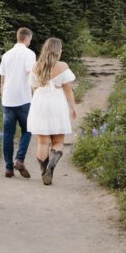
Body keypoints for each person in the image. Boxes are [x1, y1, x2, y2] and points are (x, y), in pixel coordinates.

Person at [27, 37, 76, 186]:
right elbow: (68, 90)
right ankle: (51, 166)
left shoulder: (36, 66)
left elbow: (34, 87)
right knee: (58, 141)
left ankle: (44, 172)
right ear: (57, 51)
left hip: (40, 102)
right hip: (57, 104)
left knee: (42, 142)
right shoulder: (63, 66)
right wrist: (73, 108)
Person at [0, 27, 36, 178]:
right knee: (28, 129)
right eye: (30, 39)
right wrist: (36, 94)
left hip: (7, 99)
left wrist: (3, 97)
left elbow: (2, 79)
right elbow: (31, 74)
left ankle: (8, 168)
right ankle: (19, 159)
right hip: (23, 98)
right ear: (26, 38)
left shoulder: (6, 55)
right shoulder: (29, 54)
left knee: (8, 134)